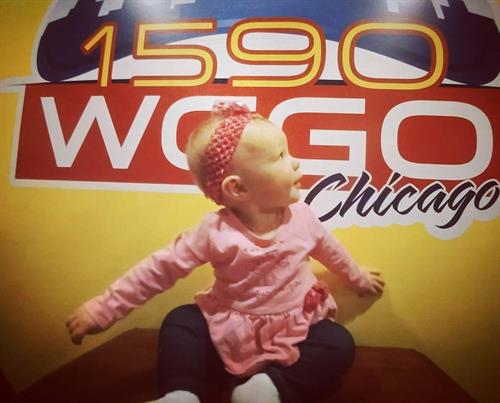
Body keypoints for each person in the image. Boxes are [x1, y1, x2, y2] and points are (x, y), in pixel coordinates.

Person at [66, 101, 385, 403]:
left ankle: (267, 388)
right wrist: (103, 310)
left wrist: (357, 278)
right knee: (181, 322)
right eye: (280, 156)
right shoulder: (214, 232)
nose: (295, 162)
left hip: (296, 330)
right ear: (239, 188)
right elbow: (159, 269)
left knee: (338, 344)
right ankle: (181, 394)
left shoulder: (303, 218)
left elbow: (332, 252)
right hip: (230, 333)